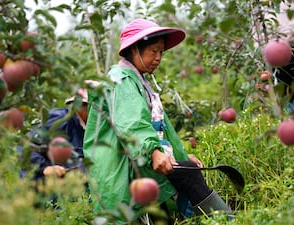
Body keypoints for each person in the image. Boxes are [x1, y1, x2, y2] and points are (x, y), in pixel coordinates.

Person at [83, 18, 233, 223]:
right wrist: (153, 151)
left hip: (140, 158)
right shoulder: (122, 79)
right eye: (153, 51)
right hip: (124, 164)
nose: (158, 57)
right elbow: (132, 122)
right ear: (135, 49)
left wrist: (180, 155)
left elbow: (162, 128)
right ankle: (228, 221)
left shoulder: (139, 80)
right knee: (188, 178)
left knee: (172, 196)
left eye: (161, 52)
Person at [253, 0, 294, 112]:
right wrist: (262, 53)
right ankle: (293, 113)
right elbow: (257, 29)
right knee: (284, 84)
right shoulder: (258, 3)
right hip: (275, 50)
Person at [29, 88, 88, 181]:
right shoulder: (60, 120)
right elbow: (28, 146)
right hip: (42, 186)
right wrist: (44, 168)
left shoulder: (88, 129)